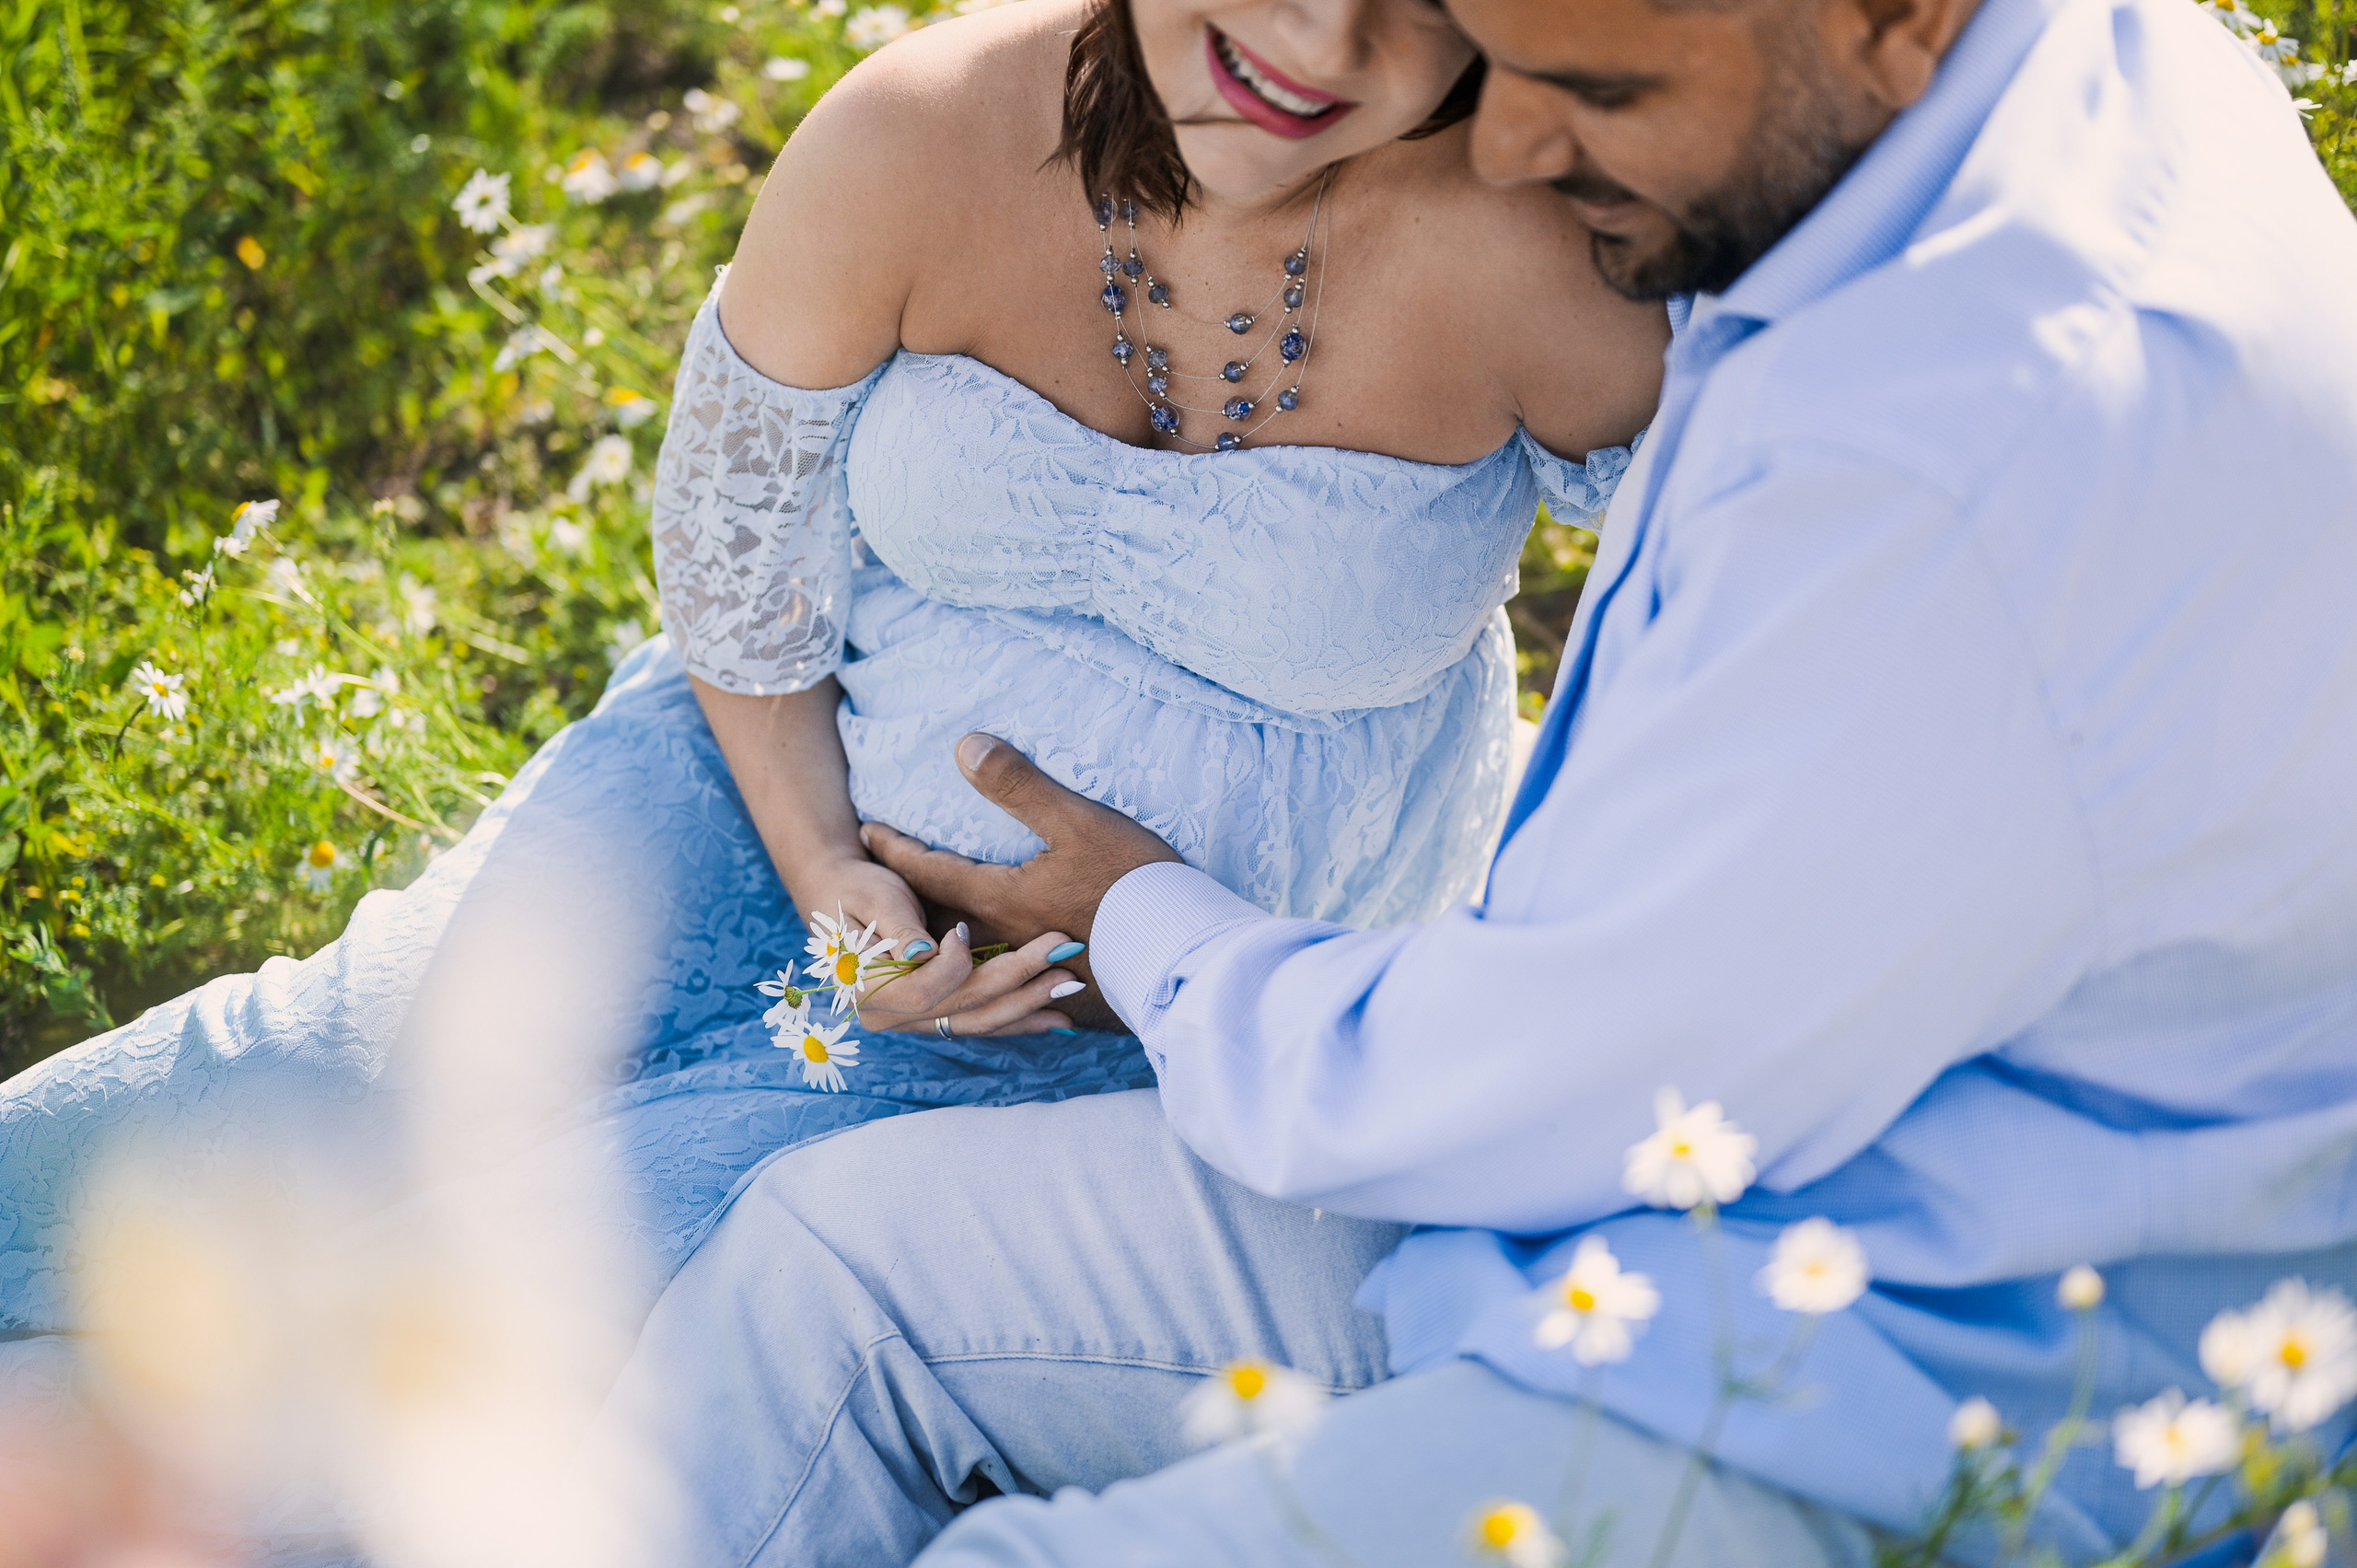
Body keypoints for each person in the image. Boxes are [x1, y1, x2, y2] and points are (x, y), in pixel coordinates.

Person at [591, 0, 2357, 1559]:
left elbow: (1554, 1082)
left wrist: (1142, 921)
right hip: (1640, 1169)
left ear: (1895, 14)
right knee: (815, 1272)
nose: (1502, 146)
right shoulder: (2072, 73)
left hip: (1881, 1360)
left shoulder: (1936, 487)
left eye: (1595, 84)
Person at [0, 0, 1662, 1533]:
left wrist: (1240, 952)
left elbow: (1723, 648)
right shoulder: (921, 129)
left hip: (1120, 1008)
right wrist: (827, 872)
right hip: (764, 779)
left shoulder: (1546, 252)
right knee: (319, 1063)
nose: (1322, 36)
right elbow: (735, 556)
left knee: (538, 1291)